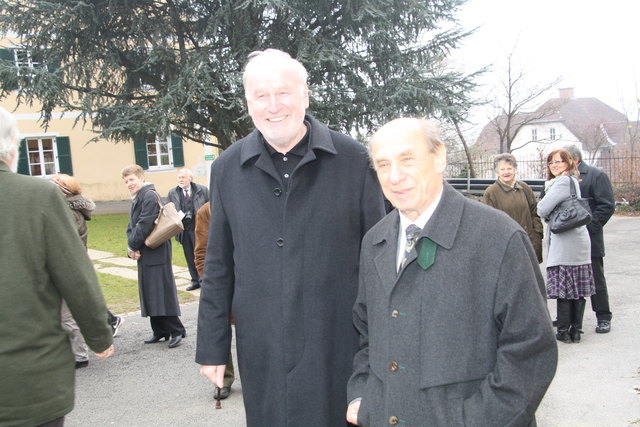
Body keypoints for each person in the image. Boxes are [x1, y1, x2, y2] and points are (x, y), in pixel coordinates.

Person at [195, 49, 385, 426]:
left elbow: (378, 260)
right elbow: (218, 264)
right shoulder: (227, 168)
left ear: (305, 96)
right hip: (262, 345)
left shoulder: (354, 160)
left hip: (338, 342)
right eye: (261, 96)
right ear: (248, 103)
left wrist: (379, 348)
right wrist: (213, 348)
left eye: (283, 92)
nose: (273, 106)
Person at [346, 118, 557, 426]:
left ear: (439, 157)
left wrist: (474, 420)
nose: (395, 176)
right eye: (383, 165)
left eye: (408, 159)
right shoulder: (375, 242)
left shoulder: (498, 238)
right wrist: (362, 395)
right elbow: (367, 333)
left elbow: (530, 351)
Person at [0, 106, 114, 427]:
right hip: (28, 379)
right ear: (12, 148)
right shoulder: (37, 196)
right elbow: (76, 276)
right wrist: (99, 337)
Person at [51, 174, 125, 369]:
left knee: (67, 314)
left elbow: (65, 243)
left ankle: (80, 354)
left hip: (69, 268)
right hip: (69, 266)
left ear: (63, 191)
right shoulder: (66, 210)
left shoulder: (70, 213)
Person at [122, 164, 186, 348]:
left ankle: (176, 330)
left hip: (155, 249)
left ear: (141, 178)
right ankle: (160, 330)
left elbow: (144, 225)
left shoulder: (148, 195)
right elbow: (132, 226)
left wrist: (133, 246)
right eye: (126, 181)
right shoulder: (139, 196)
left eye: (132, 179)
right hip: (147, 250)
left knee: (161, 290)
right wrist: (131, 246)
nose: (129, 184)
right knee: (151, 289)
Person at [538, 149, 596, 344]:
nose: (554, 165)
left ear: (569, 163)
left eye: (559, 162)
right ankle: (575, 330)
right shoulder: (572, 181)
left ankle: (563, 331)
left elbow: (541, 208)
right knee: (577, 287)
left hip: (566, 242)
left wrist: (548, 209)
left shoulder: (562, 182)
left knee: (565, 287)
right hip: (578, 240)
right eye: (551, 162)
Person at [564, 144, 615, 334]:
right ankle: (568, 319)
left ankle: (603, 317)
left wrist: (589, 228)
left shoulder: (595, 175)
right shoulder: (561, 178)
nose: (559, 163)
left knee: (595, 279)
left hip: (589, 239)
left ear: (575, 159)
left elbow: (606, 205)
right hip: (567, 240)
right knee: (569, 279)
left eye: (564, 159)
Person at [193, 201, 235, 400]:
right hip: (222, 281)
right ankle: (224, 379)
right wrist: (209, 282)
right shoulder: (206, 211)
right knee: (219, 327)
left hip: (252, 281)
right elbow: (201, 252)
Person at [483, 153, 544, 263]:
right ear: (497, 172)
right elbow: (489, 222)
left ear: (515, 169)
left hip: (529, 242)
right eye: (502, 169)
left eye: (509, 168)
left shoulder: (524, 188)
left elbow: (535, 212)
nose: (506, 172)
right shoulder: (491, 192)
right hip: (506, 245)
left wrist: (537, 235)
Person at [167, 168, 209, 291]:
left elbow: (210, 205)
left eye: (183, 177)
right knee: (189, 255)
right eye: (179, 177)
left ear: (190, 178)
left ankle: (204, 279)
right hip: (184, 229)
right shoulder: (173, 192)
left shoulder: (202, 190)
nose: (180, 179)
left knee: (201, 253)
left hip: (199, 227)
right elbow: (169, 208)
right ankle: (194, 280)